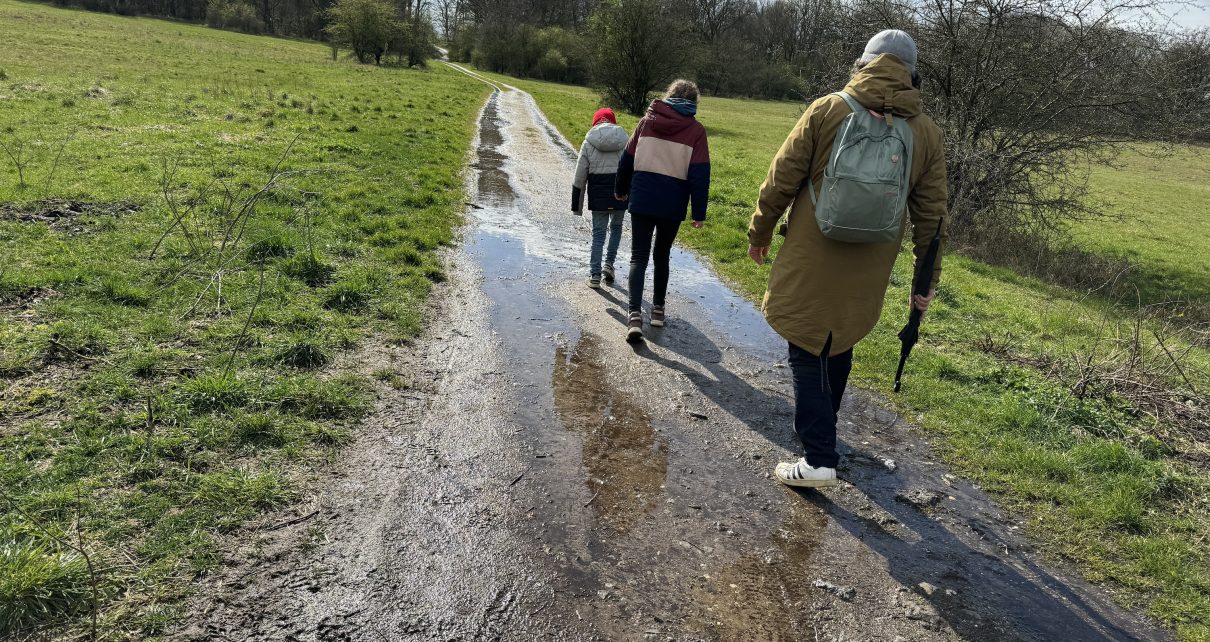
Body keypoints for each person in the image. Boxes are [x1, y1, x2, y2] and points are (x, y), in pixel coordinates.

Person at [746, 30, 948, 488]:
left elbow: (780, 179)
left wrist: (759, 232)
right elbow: (932, 220)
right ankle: (822, 436)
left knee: (805, 342)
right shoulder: (926, 133)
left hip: (811, 249)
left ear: (864, 64)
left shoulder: (828, 109)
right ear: (912, 75)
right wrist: (925, 283)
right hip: (871, 263)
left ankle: (818, 457)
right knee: (838, 339)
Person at [615, 79, 711, 342]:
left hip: (643, 198)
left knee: (638, 256)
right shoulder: (696, 131)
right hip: (673, 202)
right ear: (694, 104)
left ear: (668, 96)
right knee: (662, 254)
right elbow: (700, 174)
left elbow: (626, 159)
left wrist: (620, 190)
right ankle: (657, 310)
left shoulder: (646, 122)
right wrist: (698, 213)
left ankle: (634, 314)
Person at [572, 107, 630, 288]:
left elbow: (580, 175)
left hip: (598, 196)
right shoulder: (625, 140)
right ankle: (609, 264)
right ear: (613, 121)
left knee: (598, 235)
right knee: (617, 228)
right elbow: (631, 169)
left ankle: (595, 275)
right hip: (620, 194)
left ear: (595, 121)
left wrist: (577, 205)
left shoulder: (589, 142)